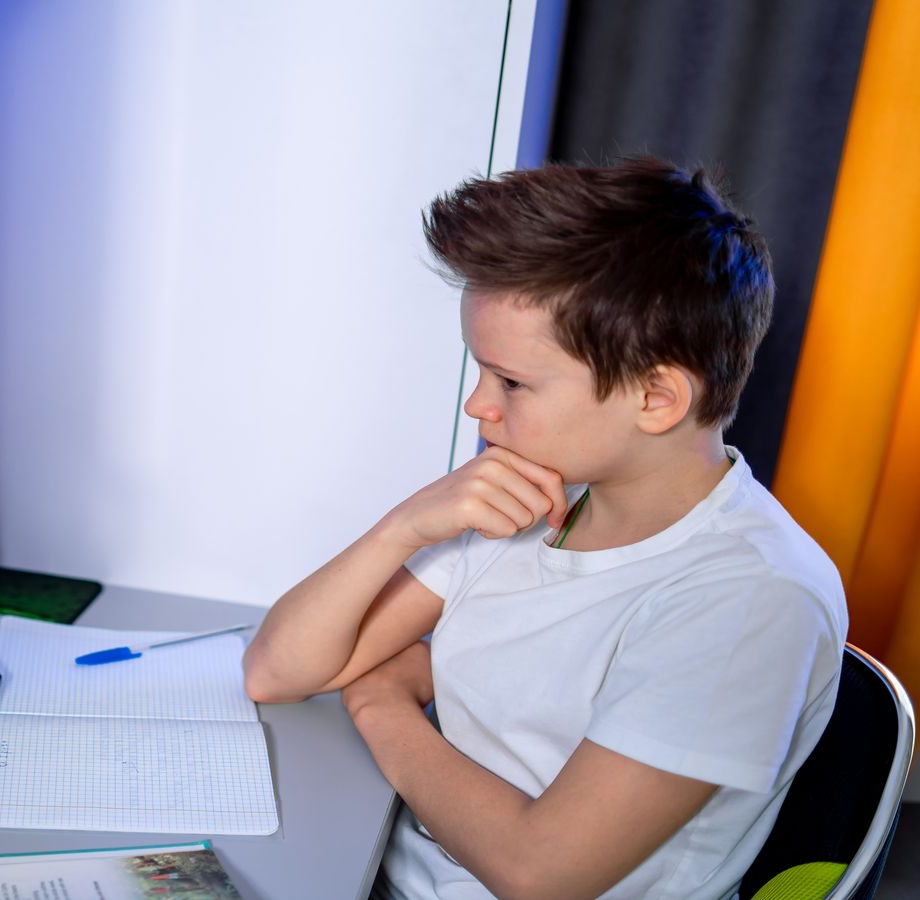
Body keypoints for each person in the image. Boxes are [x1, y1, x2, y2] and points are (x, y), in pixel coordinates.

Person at [242, 158, 848, 899]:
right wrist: (402, 528)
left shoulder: (752, 594)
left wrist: (381, 703)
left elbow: (542, 874)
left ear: (656, 398)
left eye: (512, 383)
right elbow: (276, 671)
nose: (478, 406)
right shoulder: (527, 499)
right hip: (382, 870)